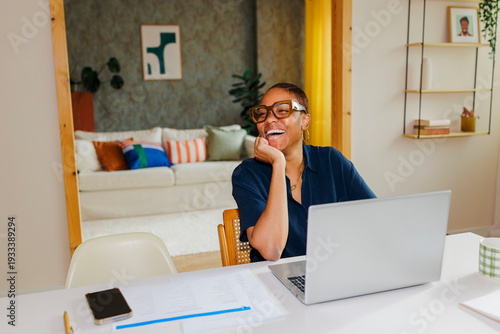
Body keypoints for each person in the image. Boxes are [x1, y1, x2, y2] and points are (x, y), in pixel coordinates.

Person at [232, 83, 376, 262]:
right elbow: (271, 250)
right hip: (275, 280)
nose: (268, 119)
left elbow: (375, 218)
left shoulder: (331, 160)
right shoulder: (246, 175)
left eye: (282, 110)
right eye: (262, 114)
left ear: (305, 121)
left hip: (334, 272)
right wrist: (278, 163)